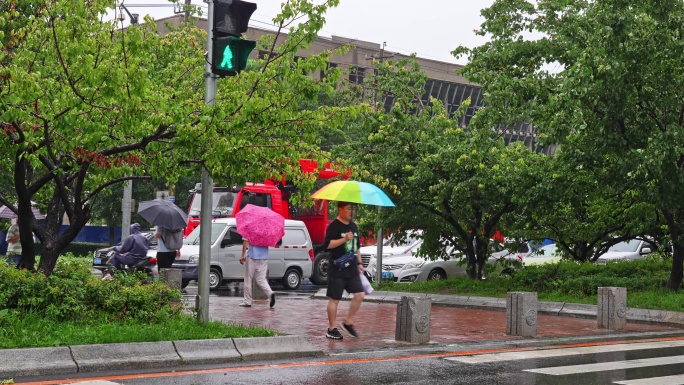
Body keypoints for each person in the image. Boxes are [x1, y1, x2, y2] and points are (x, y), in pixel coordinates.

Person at [324, 201, 364, 340]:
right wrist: (344, 238)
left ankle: (348, 322)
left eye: (354, 208)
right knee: (334, 299)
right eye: (349, 208)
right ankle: (332, 328)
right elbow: (328, 245)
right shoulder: (333, 226)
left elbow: (357, 246)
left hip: (352, 268)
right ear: (341, 209)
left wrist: (359, 262)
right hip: (338, 268)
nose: (352, 211)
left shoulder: (353, 226)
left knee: (359, 295)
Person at [239, 239, 276, 308]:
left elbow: (245, 242)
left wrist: (242, 255)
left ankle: (247, 301)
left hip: (252, 257)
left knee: (248, 279)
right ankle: (270, 293)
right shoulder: (267, 231)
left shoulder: (250, 228)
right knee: (261, 279)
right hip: (264, 257)